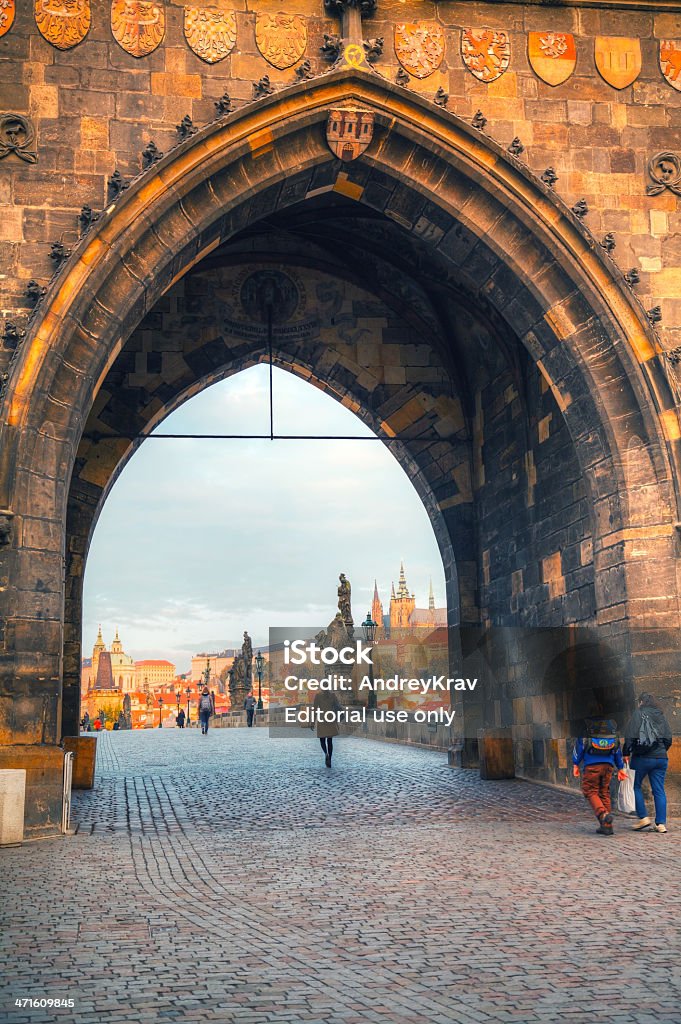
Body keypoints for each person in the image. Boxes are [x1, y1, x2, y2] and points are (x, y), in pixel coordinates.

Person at [623, 693, 673, 833]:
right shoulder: (661, 715)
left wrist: (626, 753)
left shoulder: (638, 713)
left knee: (635, 785)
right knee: (659, 790)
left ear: (640, 702)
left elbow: (630, 735)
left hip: (642, 757)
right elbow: (668, 738)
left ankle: (643, 818)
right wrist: (662, 750)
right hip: (661, 758)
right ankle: (661, 824)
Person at [573, 718, 627, 835]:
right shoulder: (611, 726)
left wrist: (575, 763)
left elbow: (580, 746)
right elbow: (617, 749)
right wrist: (621, 767)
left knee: (590, 791)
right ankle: (607, 826)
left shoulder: (588, 726)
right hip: (608, 765)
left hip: (592, 765)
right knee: (604, 792)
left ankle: (603, 814)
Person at [313, 689, 342, 767]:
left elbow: (315, 709)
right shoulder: (333, 695)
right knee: (330, 740)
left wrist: (312, 721)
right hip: (330, 717)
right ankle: (330, 759)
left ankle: (326, 753)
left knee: (322, 739)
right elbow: (338, 706)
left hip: (322, 717)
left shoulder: (318, 696)